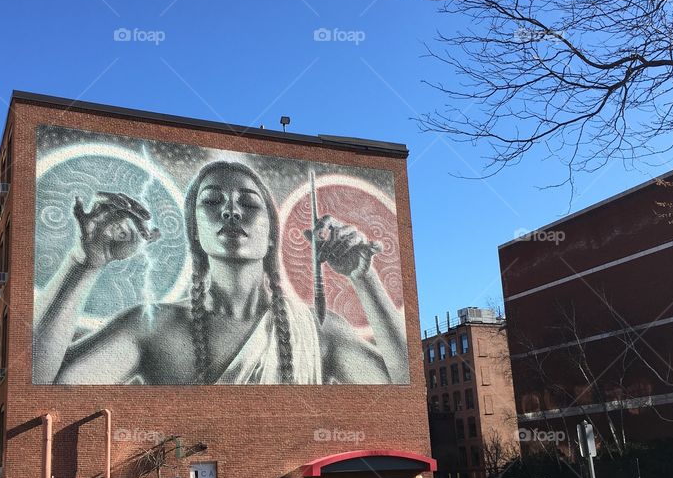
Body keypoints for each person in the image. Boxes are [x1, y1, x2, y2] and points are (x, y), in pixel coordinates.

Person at [34, 161, 408, 385]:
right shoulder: (154, 326)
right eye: (212, 202)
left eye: (249, 203)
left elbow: (403, 385)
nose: (231, 212)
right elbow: (41, 382)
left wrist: (365, 278)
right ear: (194, 227)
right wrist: (83, 265)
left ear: (271, 230)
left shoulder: (318, 328)